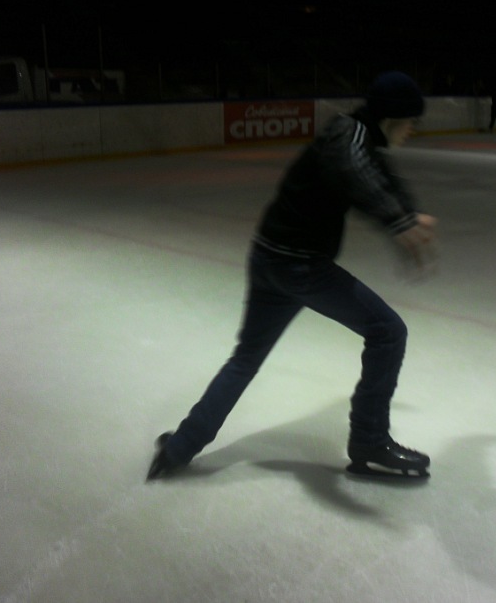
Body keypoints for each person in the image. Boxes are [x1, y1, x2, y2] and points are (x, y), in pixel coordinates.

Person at [147, 71, 436, 481]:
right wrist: (398, 220)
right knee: (388, 332)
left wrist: (405, 212)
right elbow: (358, 172)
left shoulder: (357, 135)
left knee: (246, 358)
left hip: (270, 258)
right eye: (410, 122)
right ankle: (369, 441)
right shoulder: (348, 138)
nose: (412, 131)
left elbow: (381, 176)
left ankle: (180, 447)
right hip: (300, 266)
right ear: (392, 117)